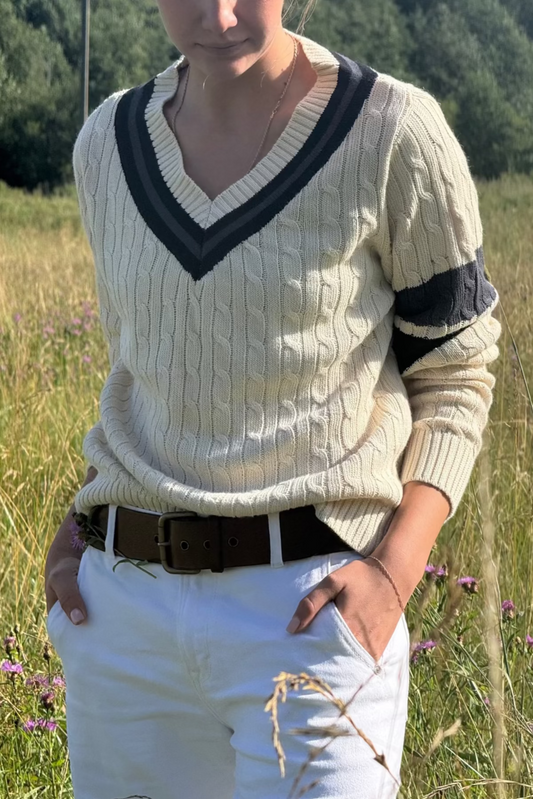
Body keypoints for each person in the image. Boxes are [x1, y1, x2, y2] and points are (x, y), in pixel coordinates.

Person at [43, 1, 502, 797]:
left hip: (312, 615)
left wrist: (393, 572)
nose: (217, 15)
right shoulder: (107, 143)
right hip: (126, 616)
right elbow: (140, 367)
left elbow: (455, 370)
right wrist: (79, 527)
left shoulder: (390, 130)